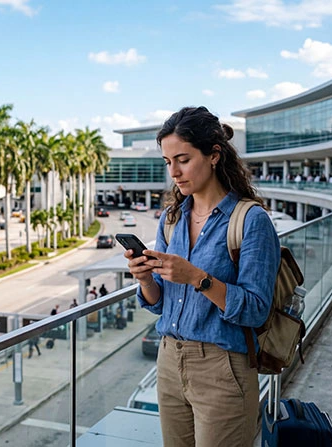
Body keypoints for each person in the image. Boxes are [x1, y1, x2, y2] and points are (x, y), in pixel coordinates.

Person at [126, 106, 280, 446]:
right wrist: (145, 279)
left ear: (213, 155)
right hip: (168, 362)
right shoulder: (172, 218)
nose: (175, 173)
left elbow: (256, 309)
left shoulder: (250, 221)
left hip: (223, 368)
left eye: (183, 159)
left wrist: (198, 278)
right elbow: (160, 305)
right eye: (168, 163)